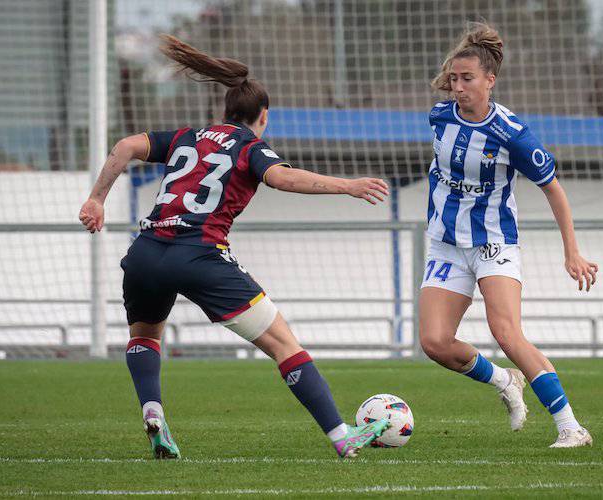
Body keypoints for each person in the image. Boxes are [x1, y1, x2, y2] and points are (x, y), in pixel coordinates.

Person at [78, 34, 390, 459]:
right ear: (262, 116)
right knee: (284, 344)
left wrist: (97, 197)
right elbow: (284, 178)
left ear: (225, 111)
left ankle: (154, 413)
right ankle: (341, 435)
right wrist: (348, 186)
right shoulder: (249, 146)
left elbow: (126, 146)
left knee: (146, 335)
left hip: (147, 251)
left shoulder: (188, 137)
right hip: (200, 255)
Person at [420, 22, 598, 448]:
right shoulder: (439, 116)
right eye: (454, 79)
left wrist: (571, 252)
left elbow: (553, 188)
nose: (458, 87)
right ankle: (505, 381)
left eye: (467, 79)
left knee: (506, 332)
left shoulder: (513, 135)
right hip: (445, 243)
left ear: (489, 80)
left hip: (494, 244)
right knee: (435, 342)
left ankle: (571, 427)